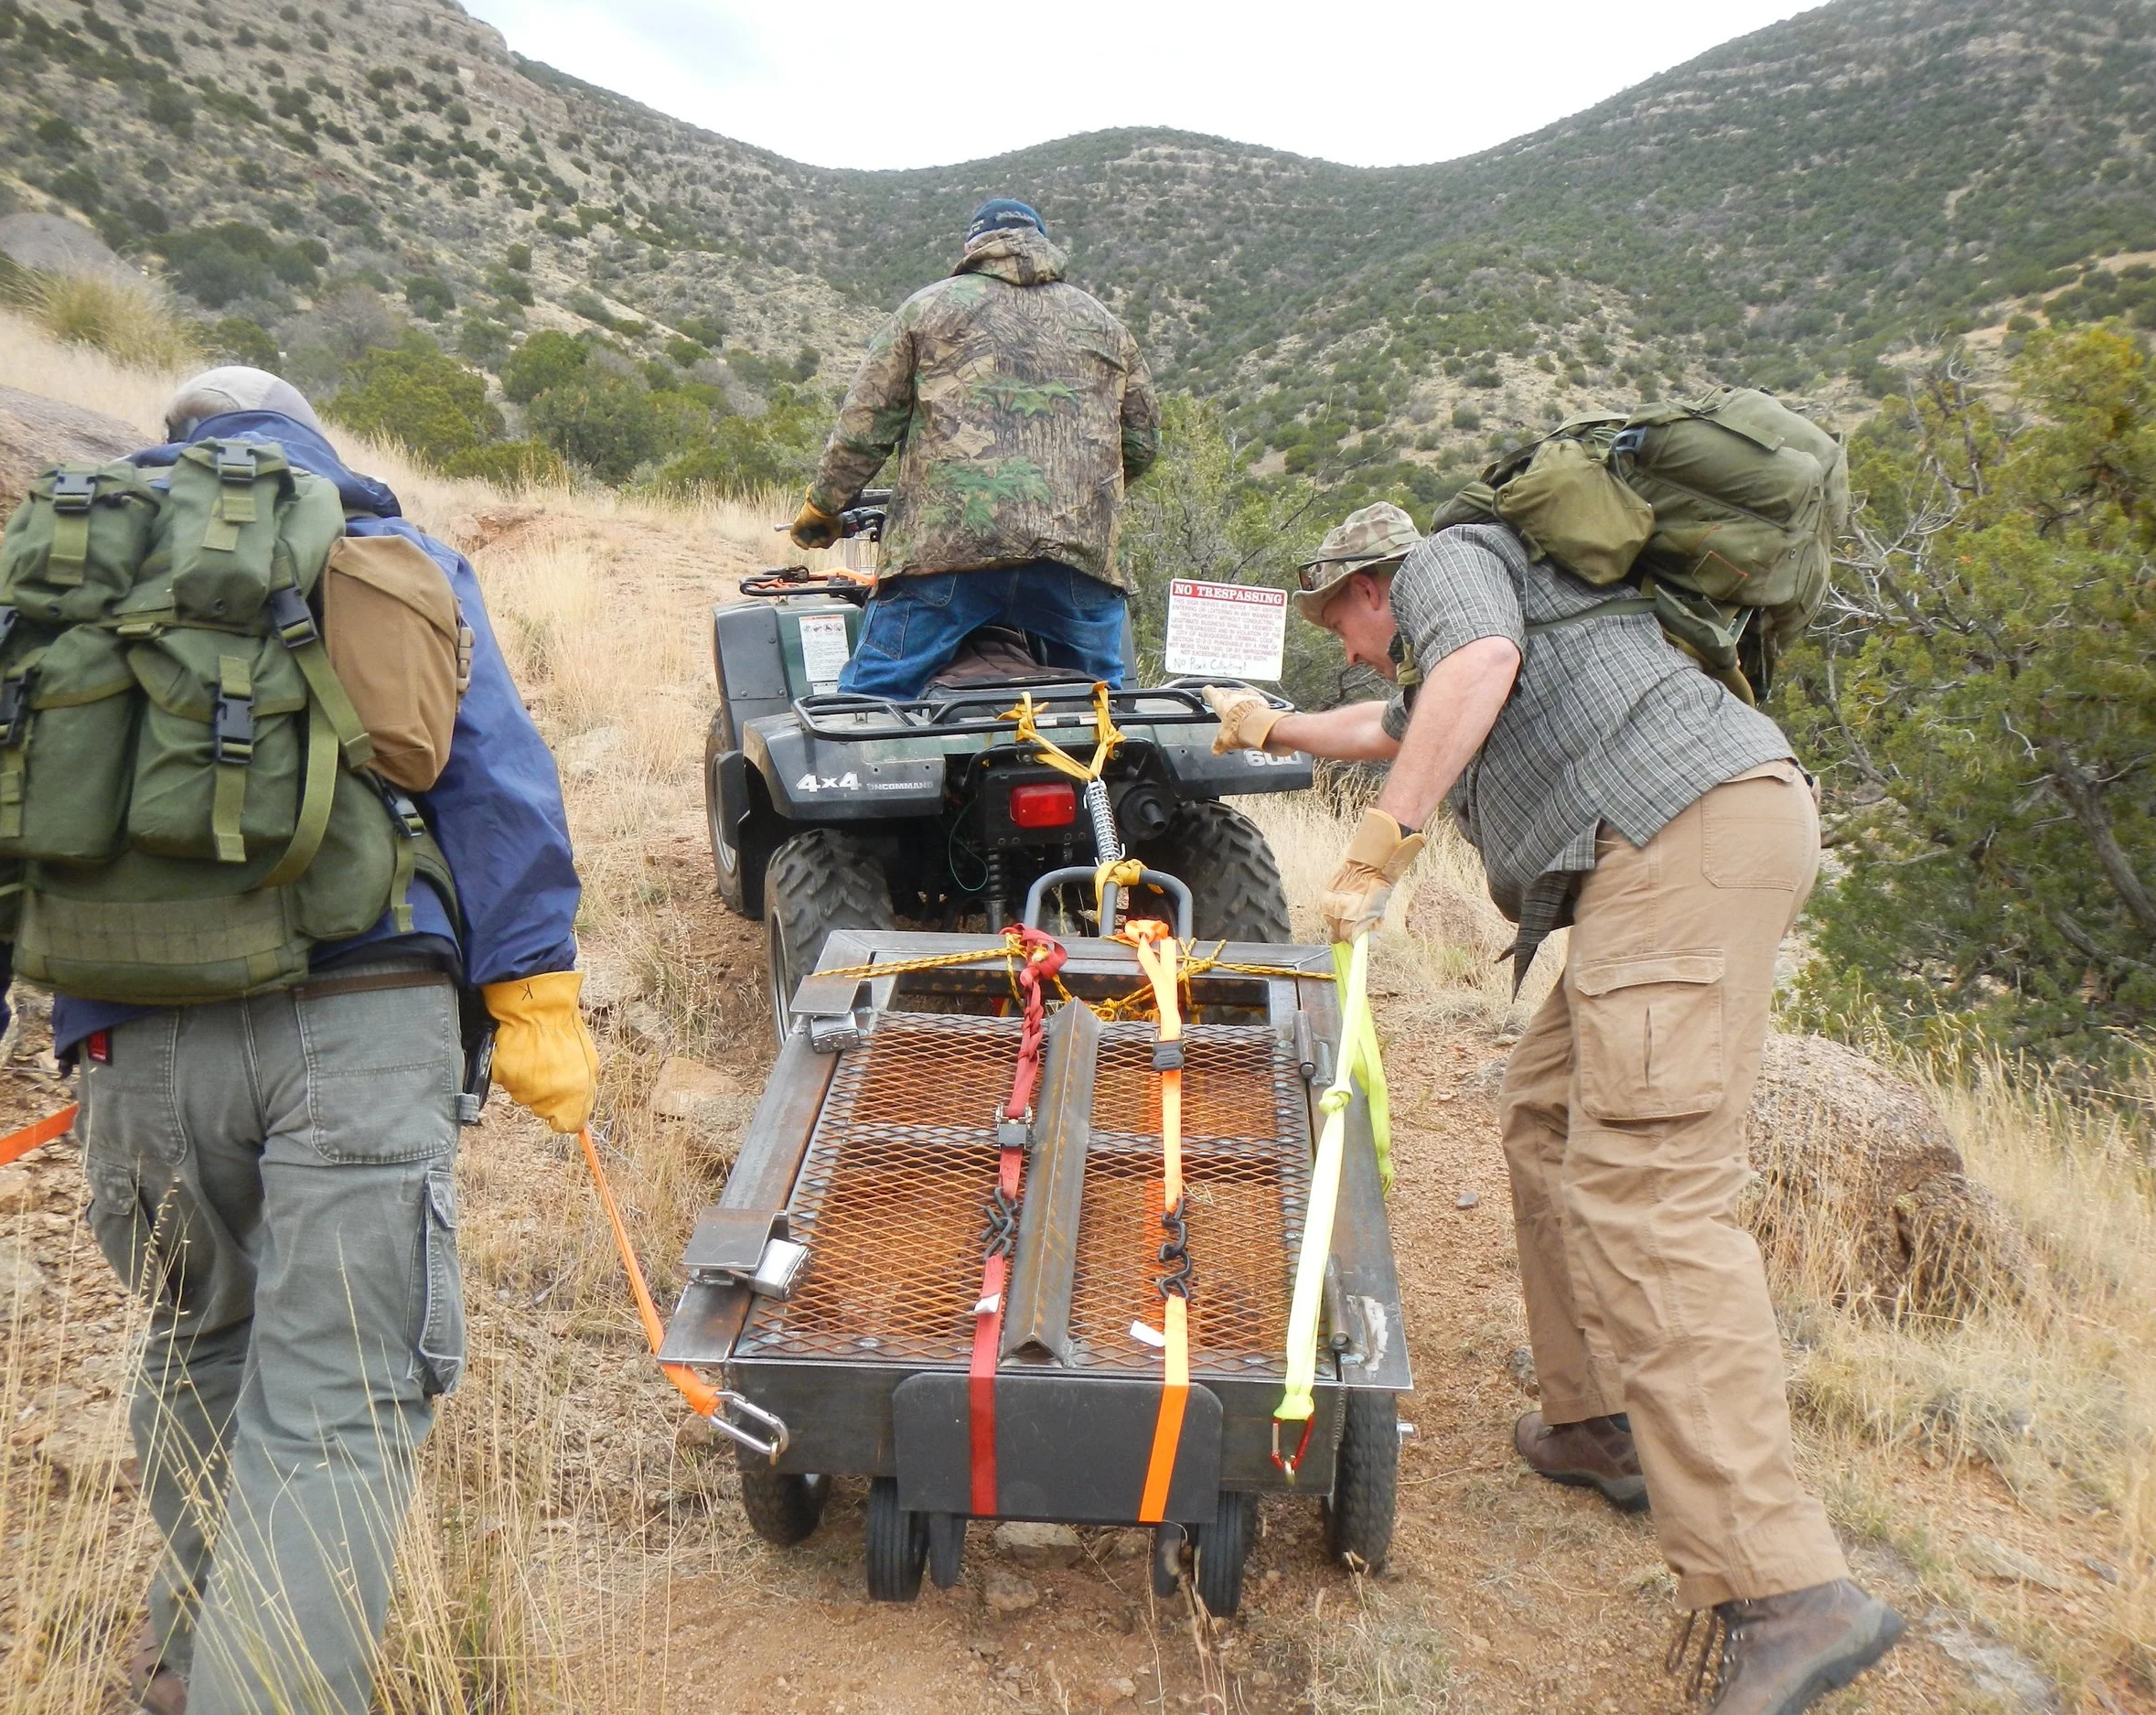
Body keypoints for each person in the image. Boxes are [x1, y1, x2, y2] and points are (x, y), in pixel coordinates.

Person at [1206, 503, 1904, 1715]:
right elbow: (1396, 719)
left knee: (1652, 1195)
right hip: (1678, 842)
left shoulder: (1450, 567)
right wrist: (1271, 725)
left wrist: (1384, 845)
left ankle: (1787, 1588)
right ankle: (1598, 1423)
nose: (1356, 647)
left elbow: (1475, 669)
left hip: (1680, 841)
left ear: (1375, 581)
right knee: (1543, 1112)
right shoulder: (1466, 612)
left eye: (1345, 622)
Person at [0, 367, 598, 1715]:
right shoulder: (375, 543)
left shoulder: (57, 575)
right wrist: (533, 988)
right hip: (359, 1019)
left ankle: (194, 1659)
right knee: (337, 1402)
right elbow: (494, 780)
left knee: (199, 1343)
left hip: (129, 1045)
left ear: (173, 444)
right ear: (306, 438)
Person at [791, 198, 1160, 697]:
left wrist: (824, 506)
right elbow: (1140, 442)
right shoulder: (1105, 325)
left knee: (874, 702)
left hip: (945, 556)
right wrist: (1074, 498)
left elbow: (867, 424)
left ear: (973, 247)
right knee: (1104, 707)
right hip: (1075, 560)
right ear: (1043, 242)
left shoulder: (927, 309)